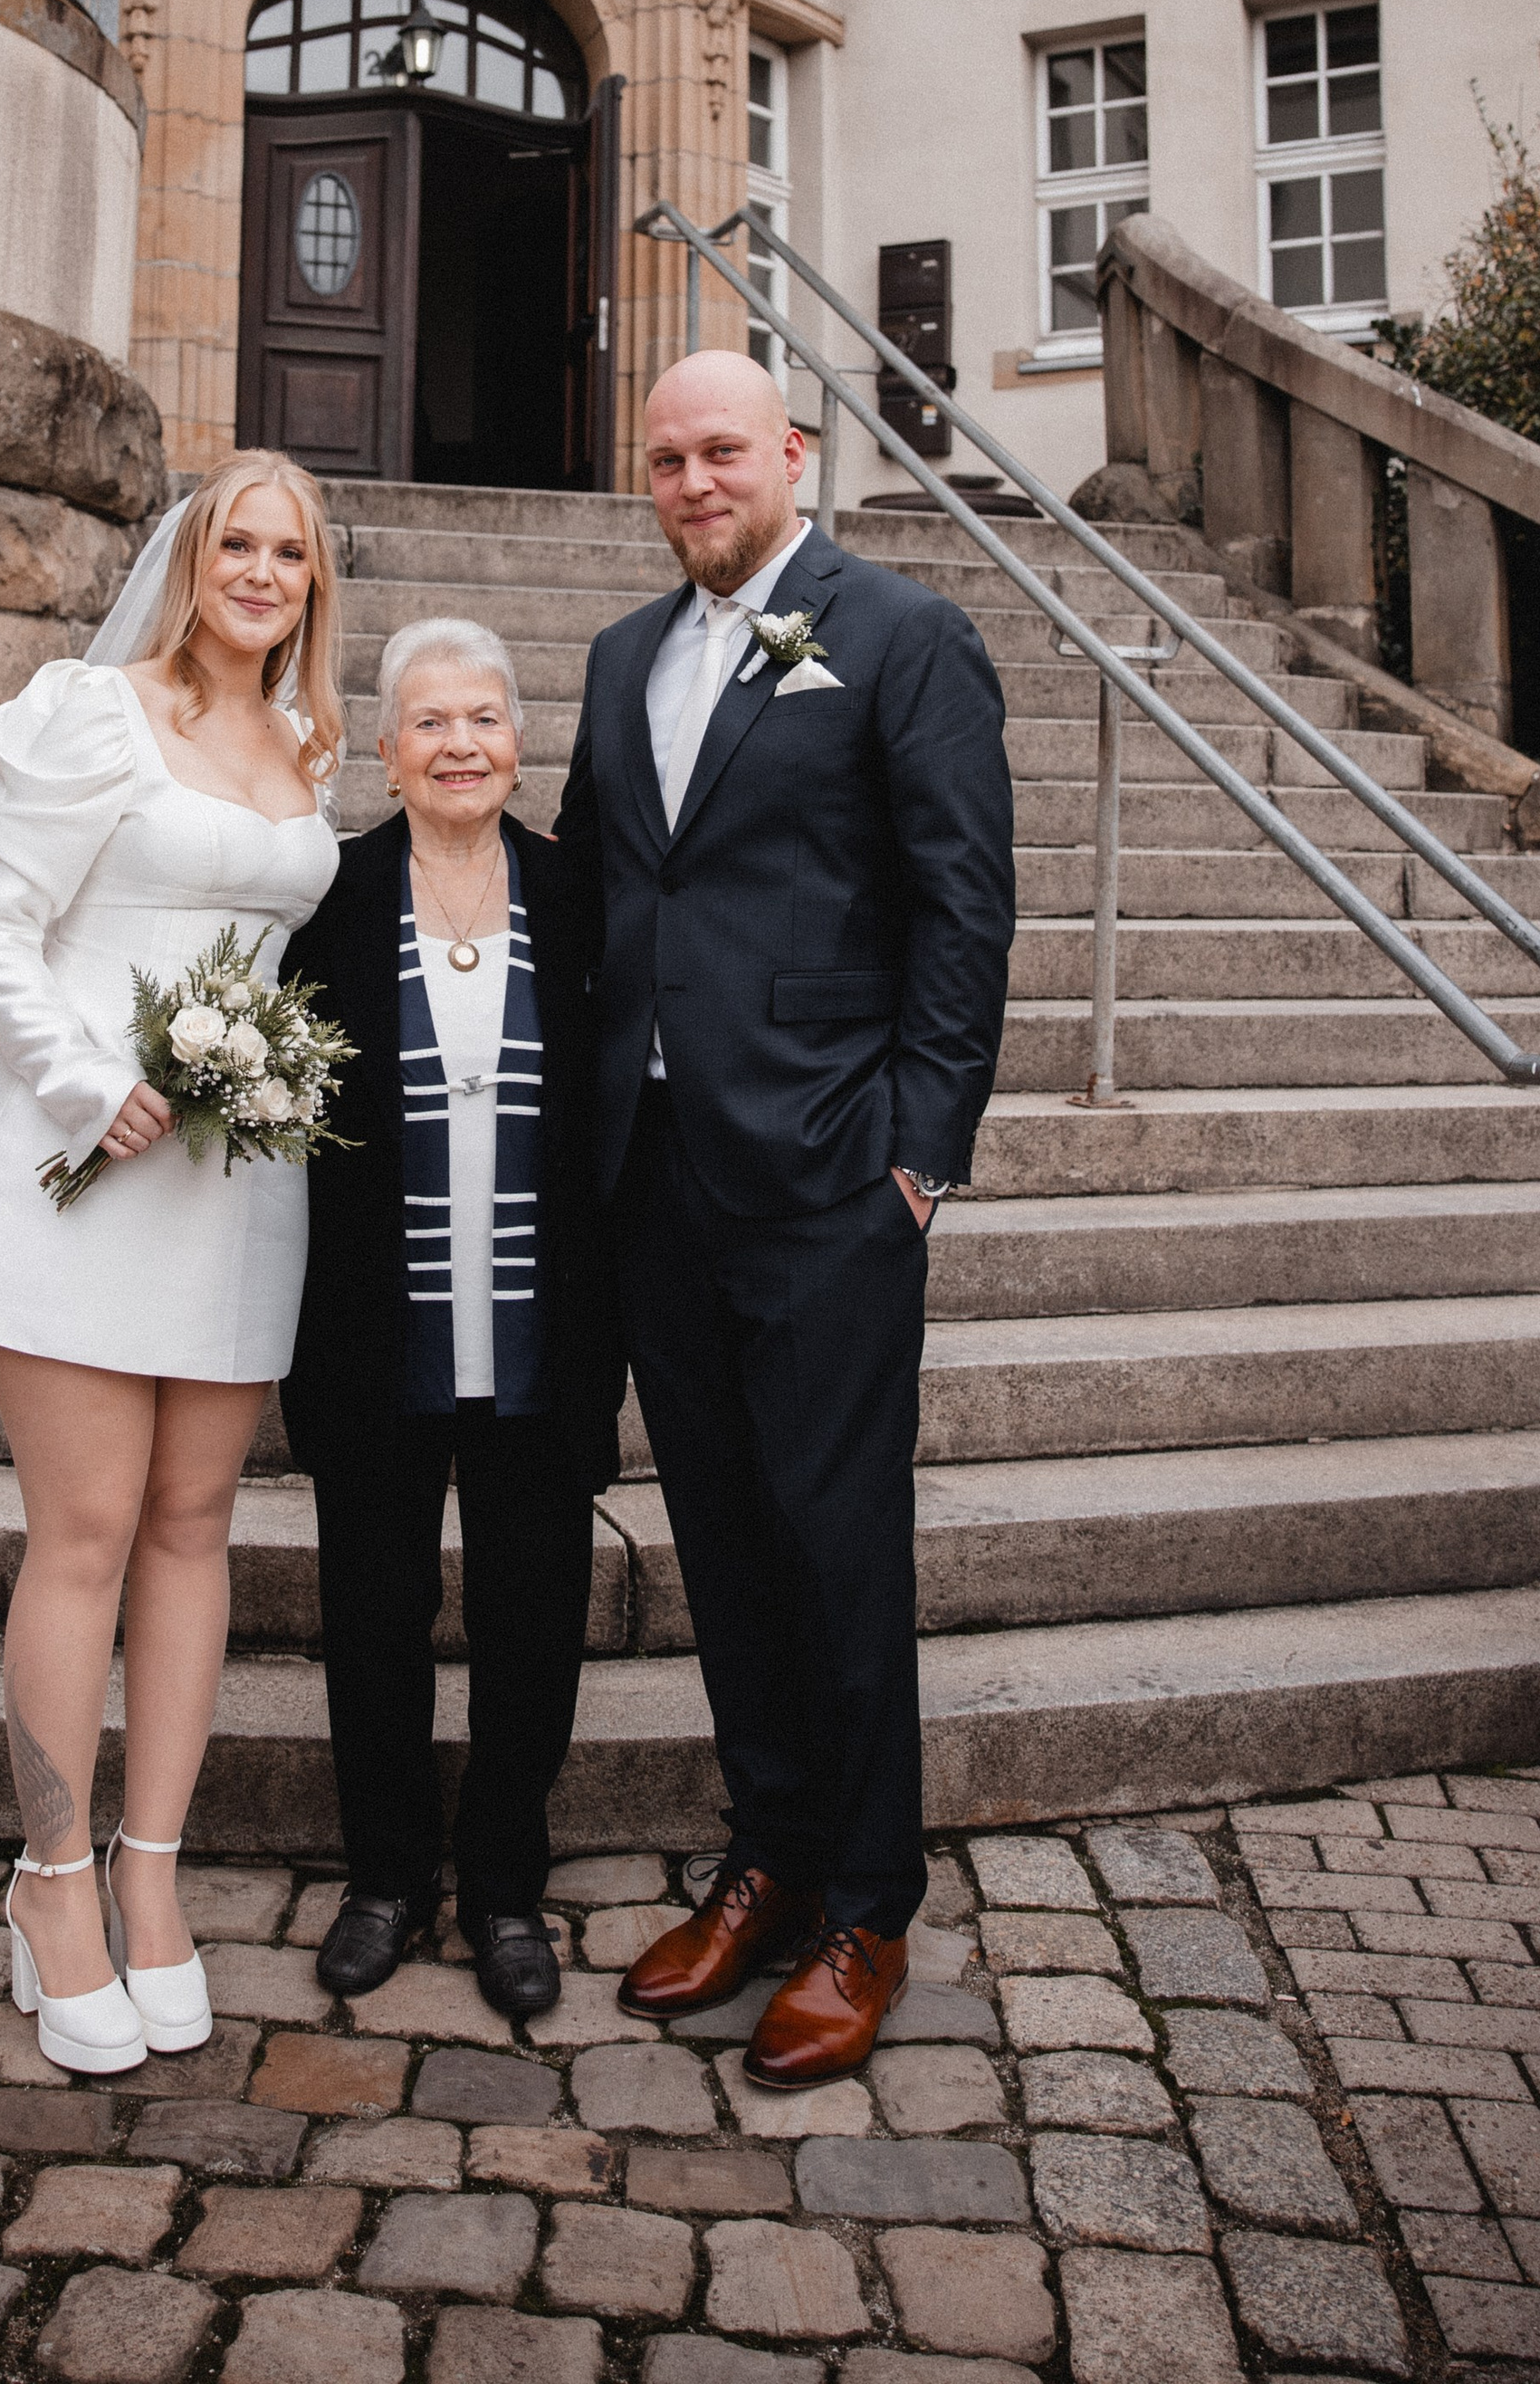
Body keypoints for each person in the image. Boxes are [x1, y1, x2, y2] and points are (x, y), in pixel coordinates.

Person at [0, 454, 343, 2075]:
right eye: (236, 543)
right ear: (191, 556)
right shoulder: (91, 710)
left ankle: (152, 1878)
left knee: (196, 1529)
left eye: (289, 552)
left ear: (314, 583)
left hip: (235, 1184)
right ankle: (49, 1884)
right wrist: (87, 1083)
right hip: (76, 1166)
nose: (259, 572)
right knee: (86, 1531)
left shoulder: (309, 743)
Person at [557, 351, 1013, 2083]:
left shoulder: (899, 633)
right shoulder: (619, 658)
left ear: (794, 456)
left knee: (837, 1547)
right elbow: (603, 894)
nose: (690, 481)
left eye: (720, 451)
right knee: (727, 1547)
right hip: (656, 1183)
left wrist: (920, 1154)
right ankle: (765, 1859)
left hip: (830, 1177)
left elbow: (964, 911)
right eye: (664, 459)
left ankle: (867, 1910)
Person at [280, 617, 624, 2023]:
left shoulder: (583, 896)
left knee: (535, 1619)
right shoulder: (329, 900)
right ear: (385, 750)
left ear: (520, 741)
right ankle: (384, 1877)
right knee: (373, 1614)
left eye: (484, 718)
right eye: (431, 722)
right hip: (375, 1334)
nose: (461, 744)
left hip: (544, 1336)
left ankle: (502, 1887)